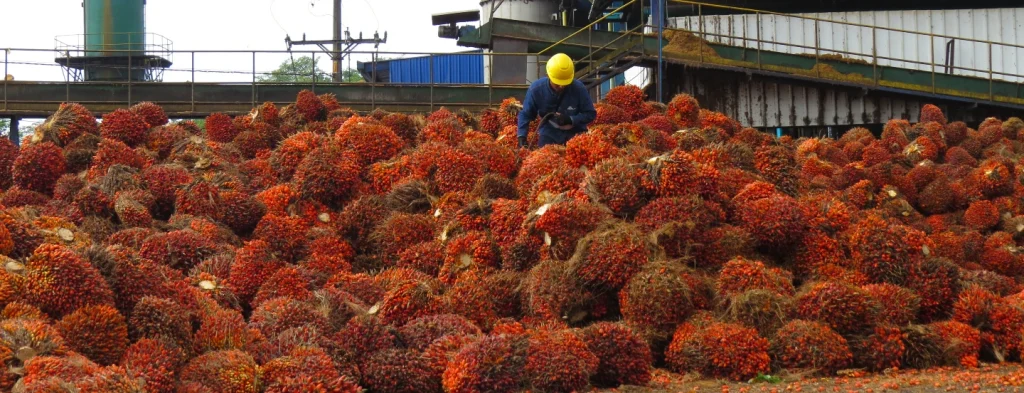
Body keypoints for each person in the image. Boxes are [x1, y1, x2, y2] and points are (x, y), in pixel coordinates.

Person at [517, 53, 597, 148]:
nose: (561, 86)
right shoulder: (536, 90)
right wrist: (522, 136)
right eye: (557, 83)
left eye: (565, 83)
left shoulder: (579, 89)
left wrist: (571, 119)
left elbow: (590, 114)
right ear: (548, 76)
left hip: (576, 133)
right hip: (549, 134)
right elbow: (526, 114)